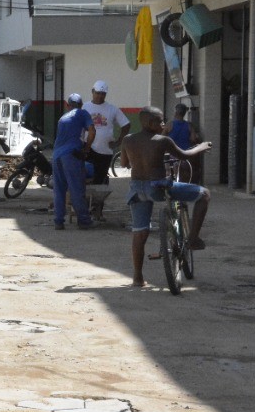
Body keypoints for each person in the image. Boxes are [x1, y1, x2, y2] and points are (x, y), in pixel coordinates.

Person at [120, 106, 213, 287]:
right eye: (160, 121)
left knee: (139, 232)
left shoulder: (128, 140)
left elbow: (124, 163)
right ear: (149, 123)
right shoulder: (162, 141)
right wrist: (201, 147)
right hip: (158, 187)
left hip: (137, 190)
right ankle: (193, 238)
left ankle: (137, 278)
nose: (163, 124)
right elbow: (184, 155)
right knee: (204, 194)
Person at [51, 93, 96, 230]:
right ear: (81, 105)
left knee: (59, 189)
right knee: (76, 188)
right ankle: (84, 221)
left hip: (56, 156)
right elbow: (92, 131)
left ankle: (59, 221)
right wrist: (87, 149)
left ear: (67, 105)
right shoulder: (82, 113)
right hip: (71, 156)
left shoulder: (62, 118)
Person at [83, 80, 131, 185]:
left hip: (105, 151)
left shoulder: (112, 109)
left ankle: (98, 200)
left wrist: (118, 141)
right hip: (88, 148)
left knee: (100, 178)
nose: (100, 96)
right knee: (85, 175)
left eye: (103, 94)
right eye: (98, 93)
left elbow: (126, 124)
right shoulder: (84, 107)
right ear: (92, 91)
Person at [166, 103, 198, 183]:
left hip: (173, 155)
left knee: (175, 175)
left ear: (175, 113)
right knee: (185, 176)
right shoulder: (189, 125)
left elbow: (161, 138)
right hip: (185, 155)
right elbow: (193, 139)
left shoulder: (169, 125)